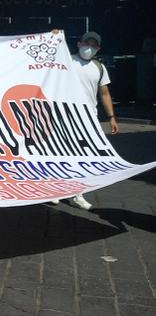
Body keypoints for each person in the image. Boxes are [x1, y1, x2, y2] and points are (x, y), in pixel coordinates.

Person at [51, 31, 118, 210]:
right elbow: (47, 58)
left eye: (93, 45)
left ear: (98, 48)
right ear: (79, 43)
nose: (89, 47)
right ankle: (58, 190)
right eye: (86, 43)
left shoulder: (99, 68)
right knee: (61, 154)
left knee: (84, 157)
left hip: (88, 119)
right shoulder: (66, 61)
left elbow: (104, 93)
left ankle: (77, 193)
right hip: (63, 116)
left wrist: (111, 117)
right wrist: (52, 38)